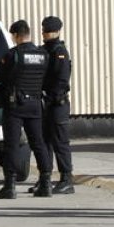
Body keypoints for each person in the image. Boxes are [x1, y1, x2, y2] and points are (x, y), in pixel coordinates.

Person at [0, 20, 53, 199]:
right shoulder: (43, 54)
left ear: (17, 36)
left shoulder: (13, 54)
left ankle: (10, 186)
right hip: (35, 104)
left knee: (11, 145)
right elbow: (47, 77)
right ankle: (46, 183)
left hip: (15, 104)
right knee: (38, 143)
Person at [39, 16, 74, 194]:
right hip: (44, 103)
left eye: (49, 31)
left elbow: (61, 79)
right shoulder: (43, 50)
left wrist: (50, 95)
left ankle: (66, 179)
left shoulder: (60, 51)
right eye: (44, 30)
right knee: (44, 142)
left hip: (57, 103)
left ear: (58, 31)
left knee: (60, 142)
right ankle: (44, 178)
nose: (45, 33)